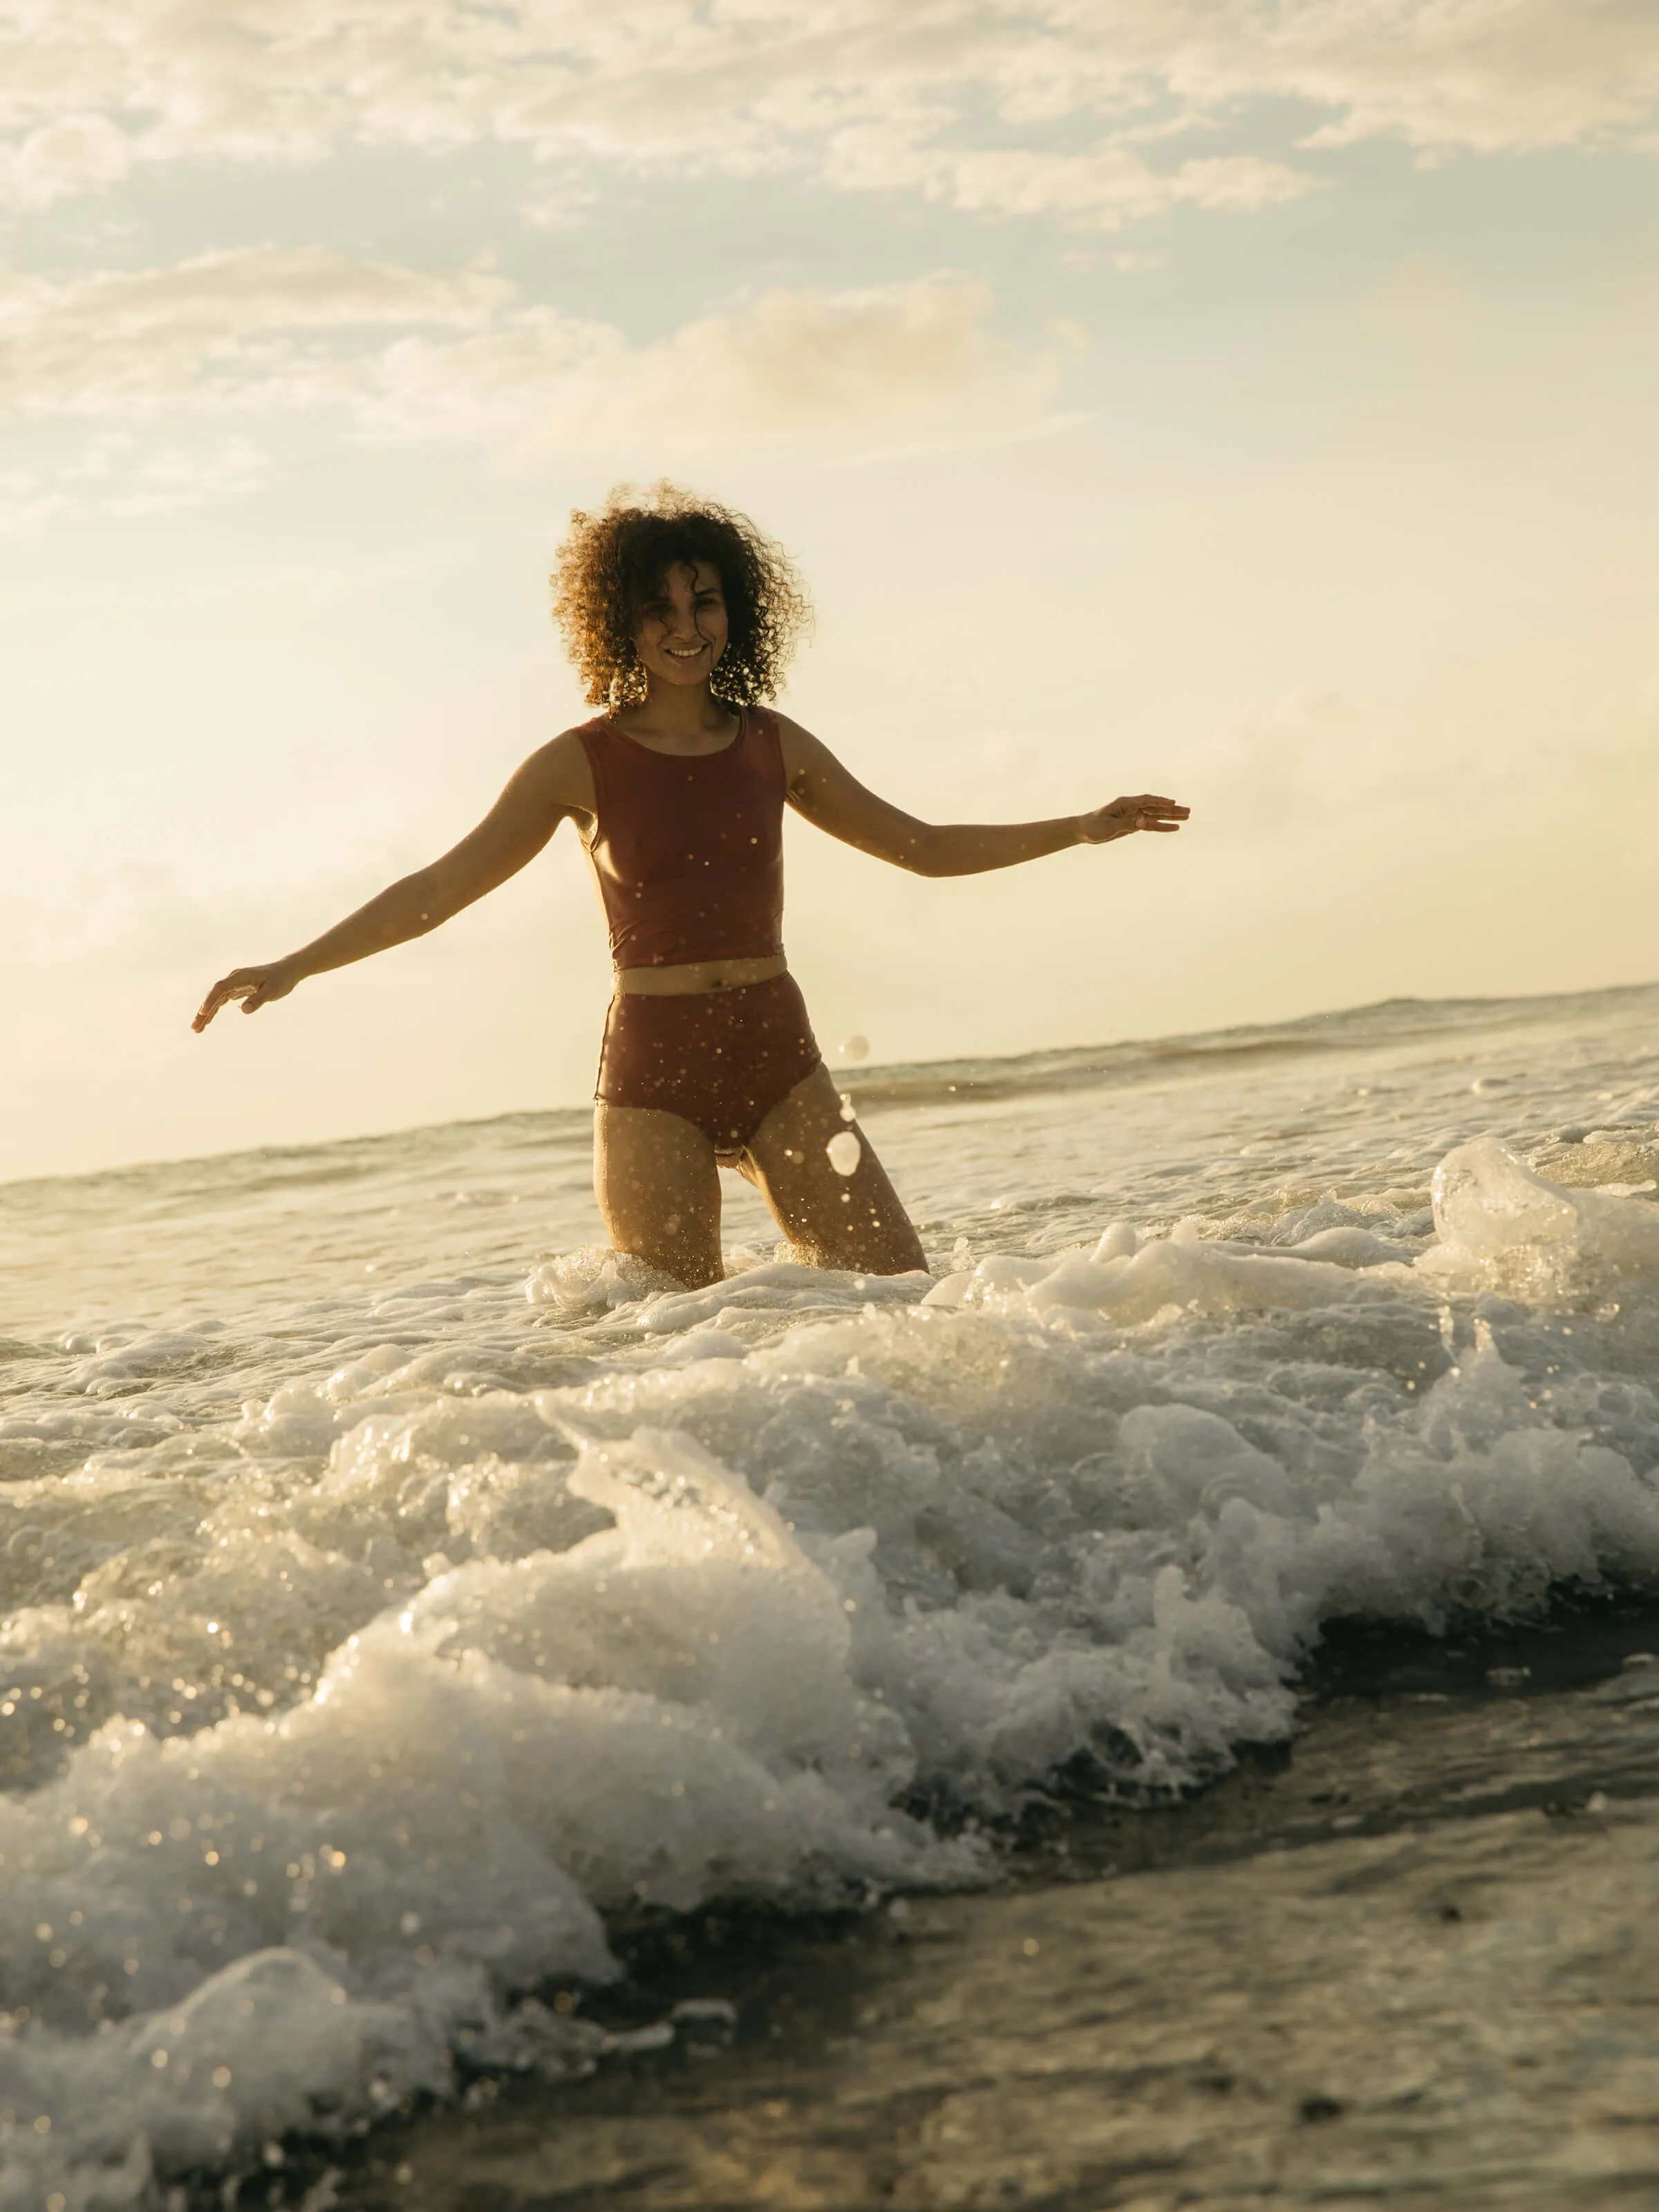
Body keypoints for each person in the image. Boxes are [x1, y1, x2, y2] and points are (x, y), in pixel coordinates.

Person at [194, 485, 1188, 1288]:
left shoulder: (773, 744)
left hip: (779, 1057)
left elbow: (919, 846)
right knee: (672, 1351)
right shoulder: (574, 765)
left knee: (904, 1301)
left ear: (735, 611)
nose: (685, 626)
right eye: (659, 608)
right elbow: (437, 891)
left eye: (703, 601)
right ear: (616, 622)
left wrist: (1080, 829)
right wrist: (294, 966)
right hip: (652, 1078)